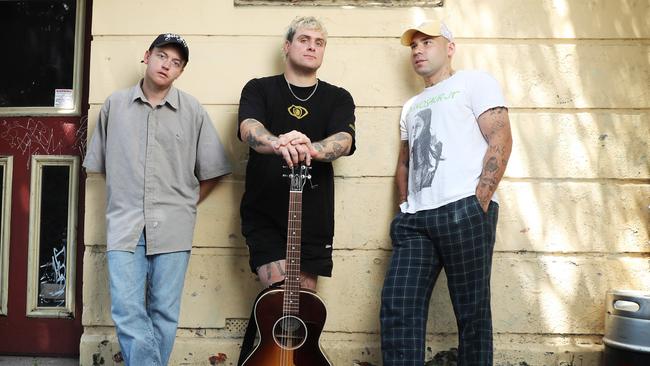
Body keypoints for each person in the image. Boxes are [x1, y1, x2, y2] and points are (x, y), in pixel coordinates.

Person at [83, 33, 232, 365]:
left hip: (174, 227)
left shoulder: (192, 110)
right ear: (147, 56)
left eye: (176, 62)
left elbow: (214, 170)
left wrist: (186, 203)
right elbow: (105, 165)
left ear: (181, 72)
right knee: (126, 309)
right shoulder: (114, 106)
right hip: (125, 224)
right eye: (162, 56)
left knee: (164, 312)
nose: (167, 64)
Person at [380, 20, 512, 366]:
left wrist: (479, 200)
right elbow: (405, 163)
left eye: (427, 42)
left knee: (472, 314)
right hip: (416, 220)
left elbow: (500, 138)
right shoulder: (411, 106)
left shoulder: (474, 82)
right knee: (399, 306)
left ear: (449, 48)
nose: (419, 50)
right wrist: (405, 206)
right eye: (414, 46)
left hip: (463, 211)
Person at [237, 16, 356, 290]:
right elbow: (248, 128)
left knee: (303, 309)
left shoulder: (338, 97)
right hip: (265, 213)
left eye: (319, 43)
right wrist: (281, 143)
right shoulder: (259, 88)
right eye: (304, 40)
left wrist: (308, 148)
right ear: (287, 46)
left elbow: (344, 140)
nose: (312, 47)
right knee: (277, 300)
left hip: (314, 218)